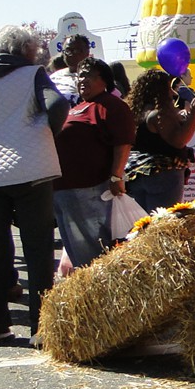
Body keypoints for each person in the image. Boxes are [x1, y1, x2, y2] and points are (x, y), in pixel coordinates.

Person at [0, 25, 69, 346]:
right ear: (25, 50)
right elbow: (58, 106)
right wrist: (46, 134)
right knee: (38, 248)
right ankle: (41, 327)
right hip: (31, 170)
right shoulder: (33, 75)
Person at [54, 58, 135, 268]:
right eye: (80, 75)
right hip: (64, 190)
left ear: (104, 80)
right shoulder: (79, 106)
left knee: (93, 254)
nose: (82, 80)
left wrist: (116, 176)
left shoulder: (111, 105)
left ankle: (102, 295)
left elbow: (123, 143)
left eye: (89, 75)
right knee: (77, 252)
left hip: (90, 190)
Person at [125, 69, 195, 212]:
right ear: (159, 90)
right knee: (162, 223)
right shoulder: (158, 114)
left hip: (137, 175)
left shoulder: (137, 112)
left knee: (144, 224)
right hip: (163, 174)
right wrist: (194, 114)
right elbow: (179, 140)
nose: (173, 93)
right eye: (168, 88)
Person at [49, 33, 91, 104]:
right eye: (68, 51)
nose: (72, 54)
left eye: (77, 50)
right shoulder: (53, 79)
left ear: (87, 52)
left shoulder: (97, 76)